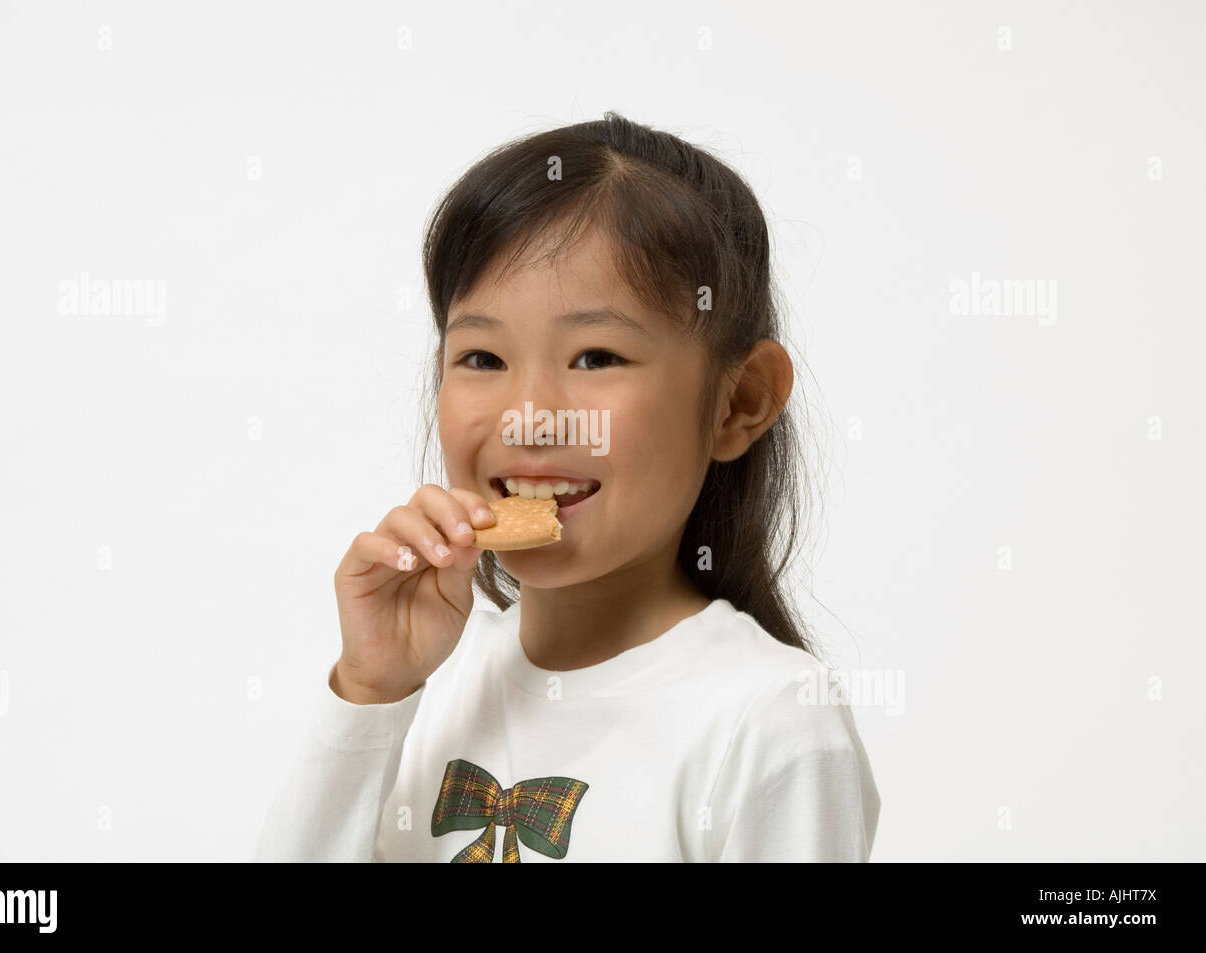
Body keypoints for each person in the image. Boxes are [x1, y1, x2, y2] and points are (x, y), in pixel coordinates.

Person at [252, 112, 880, 862]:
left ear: (737, 401)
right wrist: (371, 689)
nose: (530, 418)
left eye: (595, 357)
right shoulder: (432, 680)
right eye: (483, 357)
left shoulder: (766, 720)